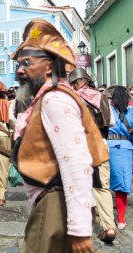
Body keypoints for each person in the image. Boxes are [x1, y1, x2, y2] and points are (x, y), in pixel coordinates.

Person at [11, 19, 109, 252]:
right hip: (51, 202)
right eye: (18, 64)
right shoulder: (46, 97)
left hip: (56, 203)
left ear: (48, 67)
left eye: (27, 63)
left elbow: (76, 162)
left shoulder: (55, 99)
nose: (19, 70)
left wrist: (80, 229)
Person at [69, 67, 117, 242]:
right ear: (88, 80)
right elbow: (111, 122)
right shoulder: (101, 96)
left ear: (74, 83)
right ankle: (109, 227)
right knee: (102, 187)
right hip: (101, 143)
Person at [107, 86, 133, 230]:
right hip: (124, 148)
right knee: (122, 184)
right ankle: (121, 220)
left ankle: (105, 216)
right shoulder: (131, 111)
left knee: (103, 183)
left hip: (105, 146)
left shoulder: (107, 109)